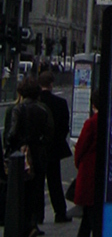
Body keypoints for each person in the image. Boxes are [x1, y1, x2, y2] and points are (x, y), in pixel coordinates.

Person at [3, 75, 54, 237]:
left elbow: (11, 135)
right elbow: (49, 133)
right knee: (34, 191)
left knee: (17, 194)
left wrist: (10, 148)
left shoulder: (17, 109)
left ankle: (23, 229)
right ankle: (32, 223)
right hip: (38, 156)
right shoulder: (43, 109)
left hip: (21, 158)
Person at [38, 69, 71, 224]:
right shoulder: (60, 103)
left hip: (38, 148)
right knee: (55, 181)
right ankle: (60, 212)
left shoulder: (36, 102)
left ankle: (37, 215)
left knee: (37, 182)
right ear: (51, 84)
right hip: (54, 148)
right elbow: (65, 127)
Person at [72, 92, 99, 237]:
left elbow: (81, 146)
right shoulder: (111, 120)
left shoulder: (91, 123)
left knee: (90, 205)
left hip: (89, 166)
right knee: (91, 205)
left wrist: (78, 161)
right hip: (98, 167)